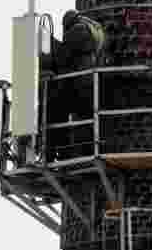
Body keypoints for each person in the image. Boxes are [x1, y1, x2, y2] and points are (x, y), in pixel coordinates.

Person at [46, 10, 107, 160]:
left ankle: (58, 152)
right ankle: (75, 151)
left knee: (55, 111)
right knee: (86, 120)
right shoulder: (92, 31)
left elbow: (63, 56)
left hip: (79, 83)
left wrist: (49, 43)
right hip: (90, 83)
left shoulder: (77, 31)